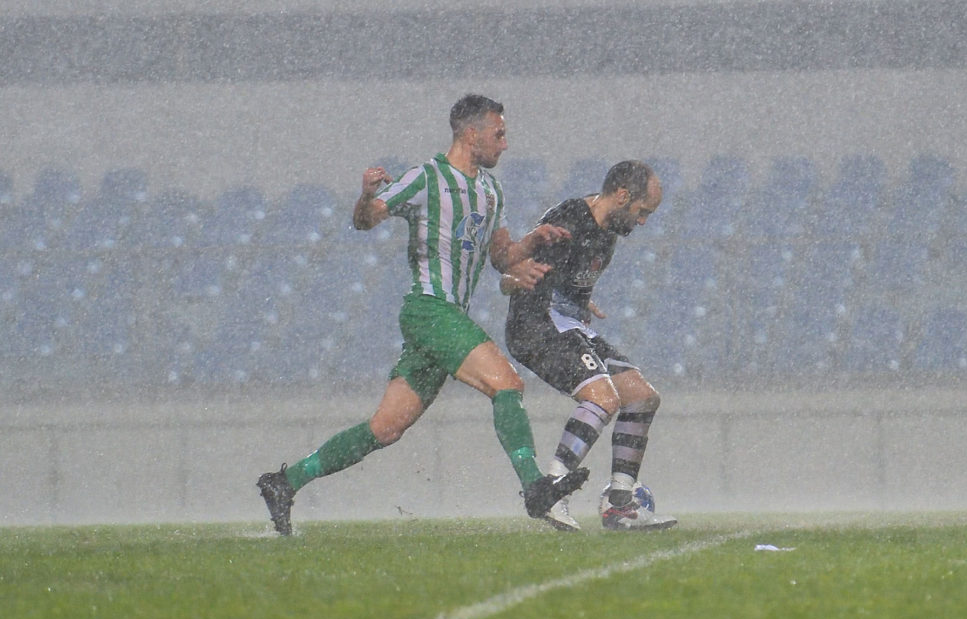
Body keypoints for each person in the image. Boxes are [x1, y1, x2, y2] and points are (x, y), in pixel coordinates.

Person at [257, 94, 588, 535]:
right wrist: (365, 196)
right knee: (507, 383)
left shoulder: (491, 191)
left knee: (385, 429)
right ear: (472, 135)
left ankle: (285, 481)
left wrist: (531, 243)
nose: (505, 144)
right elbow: (366, 220)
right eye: (499, 133)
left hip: (441, 319)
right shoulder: (426, 178)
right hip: (429, 309)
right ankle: (535, 488)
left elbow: (501, 256)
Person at [500, 160, 677, 531]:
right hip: (534, 323)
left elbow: (570, 281)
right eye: (642, 212)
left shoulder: (606, 229)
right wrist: (511, 279)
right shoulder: (569, 221)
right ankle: (553, 492)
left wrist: (580, 302)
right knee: (602, 397)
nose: (642, 222)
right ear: (623, 196)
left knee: (642, 396)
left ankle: (620, 504)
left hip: (567, 322)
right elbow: (513, 271)